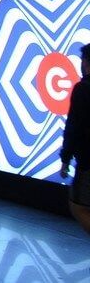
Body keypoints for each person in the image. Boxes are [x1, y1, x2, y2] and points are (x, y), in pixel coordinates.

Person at [62, 43, 90, 234]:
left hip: (88, 160)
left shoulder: (83, 89)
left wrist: (65, 159)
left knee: (78, 206)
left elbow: (74, 127)